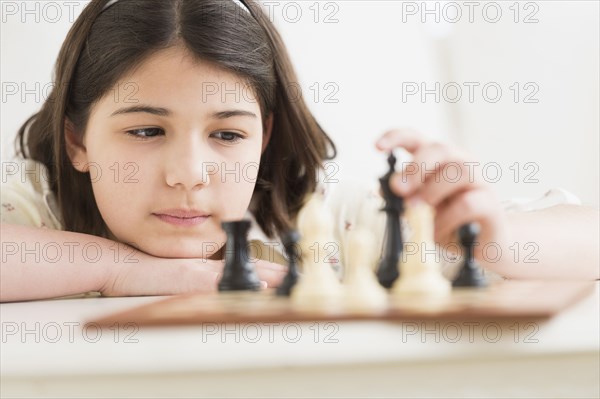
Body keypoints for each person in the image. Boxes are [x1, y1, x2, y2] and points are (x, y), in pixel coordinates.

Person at [1, 0, 598, 303]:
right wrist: (121, 269)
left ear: (264, 138)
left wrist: (491, 237)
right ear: (78, 141)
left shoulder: (317, 226)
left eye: (228, 134)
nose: (189, 175)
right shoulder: (34, 210)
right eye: (147, 131)